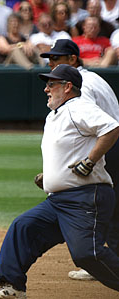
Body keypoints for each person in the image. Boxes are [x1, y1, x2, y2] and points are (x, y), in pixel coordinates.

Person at [0, 64, 119, 299]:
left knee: (87, 254)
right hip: (59, 201)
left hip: (85, 197)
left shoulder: (79, 106)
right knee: (23, 227)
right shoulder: (57, 114)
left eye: (51, 84)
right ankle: (12, 287)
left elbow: (112, 128)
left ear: (67, 87)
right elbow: (68, 149)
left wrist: (90, 161)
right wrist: (52, 175)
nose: (46, 89)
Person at [39, 38, 119, 281]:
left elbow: (90, 126)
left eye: (56, 58)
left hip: (107, 145)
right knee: (113, 210)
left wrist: (88, 160)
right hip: (111, 143)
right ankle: (107, 259)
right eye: (49, 59)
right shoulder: (95, 78)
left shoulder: (84, 85)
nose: (51, 63)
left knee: (99, 206)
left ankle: (101, 262)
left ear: (73, 59)